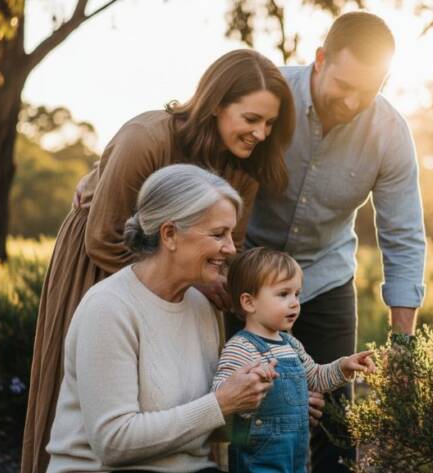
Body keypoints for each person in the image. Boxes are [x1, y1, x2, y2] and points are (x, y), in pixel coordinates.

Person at [22, 49, 296, 473]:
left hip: (186, 276)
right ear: (216, 104)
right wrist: (172, 287)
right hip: (105, 259)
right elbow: (104, 235)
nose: (261, 133)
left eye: (270, 123)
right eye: (251, 119)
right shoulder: (147, 138)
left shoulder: (245, 166)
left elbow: (227, 251)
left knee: (176, 391)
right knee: (98, 394)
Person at [239, 11, 427, 471]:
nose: (353, 101)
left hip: (323, 279)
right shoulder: (269, 93)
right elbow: (195, 137)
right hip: (241, 275)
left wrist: (402, 347)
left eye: (370, 90)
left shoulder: (389, 133)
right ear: (320, 59)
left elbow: (402, 235)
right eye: (345, 84)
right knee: (241, 411)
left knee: (336, 427)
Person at [46, 164, 279, 473]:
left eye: (231, 235)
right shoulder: (109, 308)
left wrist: (272, 408)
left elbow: (202, 428)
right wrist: (221, 403)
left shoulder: (201, 307)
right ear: (169, 234)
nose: (231, 248)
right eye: (218, 234)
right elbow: (113, 443)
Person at [213, 247, 375, 473]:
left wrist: (343, 367)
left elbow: (316, 378)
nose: (294, 303)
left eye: (296, 294)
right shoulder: (241, 347)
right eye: (283, 294)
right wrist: (250, 384)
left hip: (294, 458)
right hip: (257, 460)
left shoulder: (291, 345)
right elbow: (221, 394)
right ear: (250, 302)